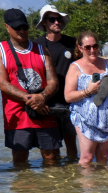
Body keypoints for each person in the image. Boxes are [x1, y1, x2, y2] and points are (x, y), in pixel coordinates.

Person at [0, 9, 61, 164]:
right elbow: (2, 83)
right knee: (20, 159)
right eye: (17, 28)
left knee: (51, 156)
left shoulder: (42, 50)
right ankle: (25, 188)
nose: (22, 31)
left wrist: (41, 97)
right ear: (6, 27)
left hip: (43, 110)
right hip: (16, 114)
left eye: (24, 27)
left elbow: (53, 81)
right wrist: (31, 99)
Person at [63, 31, 108, 165]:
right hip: (85, 119)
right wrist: (87, 91)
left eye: (95, 46)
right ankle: (87, 185)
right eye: (88, 47)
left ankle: (101, 185)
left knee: (103, 157)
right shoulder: (75, 67)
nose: (92, 50)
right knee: (87, 159)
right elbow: (68, 96)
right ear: (80, 48)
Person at [34, 5, 78, 160]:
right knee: (50, 153)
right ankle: (55, 182)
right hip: (46, 105)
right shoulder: (36, 46)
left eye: (59, 19)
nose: (57, 22)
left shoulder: (72, 43)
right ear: (44, 22)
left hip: (70, 103)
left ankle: (73, 181)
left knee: (72, 148)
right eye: (52, 19)